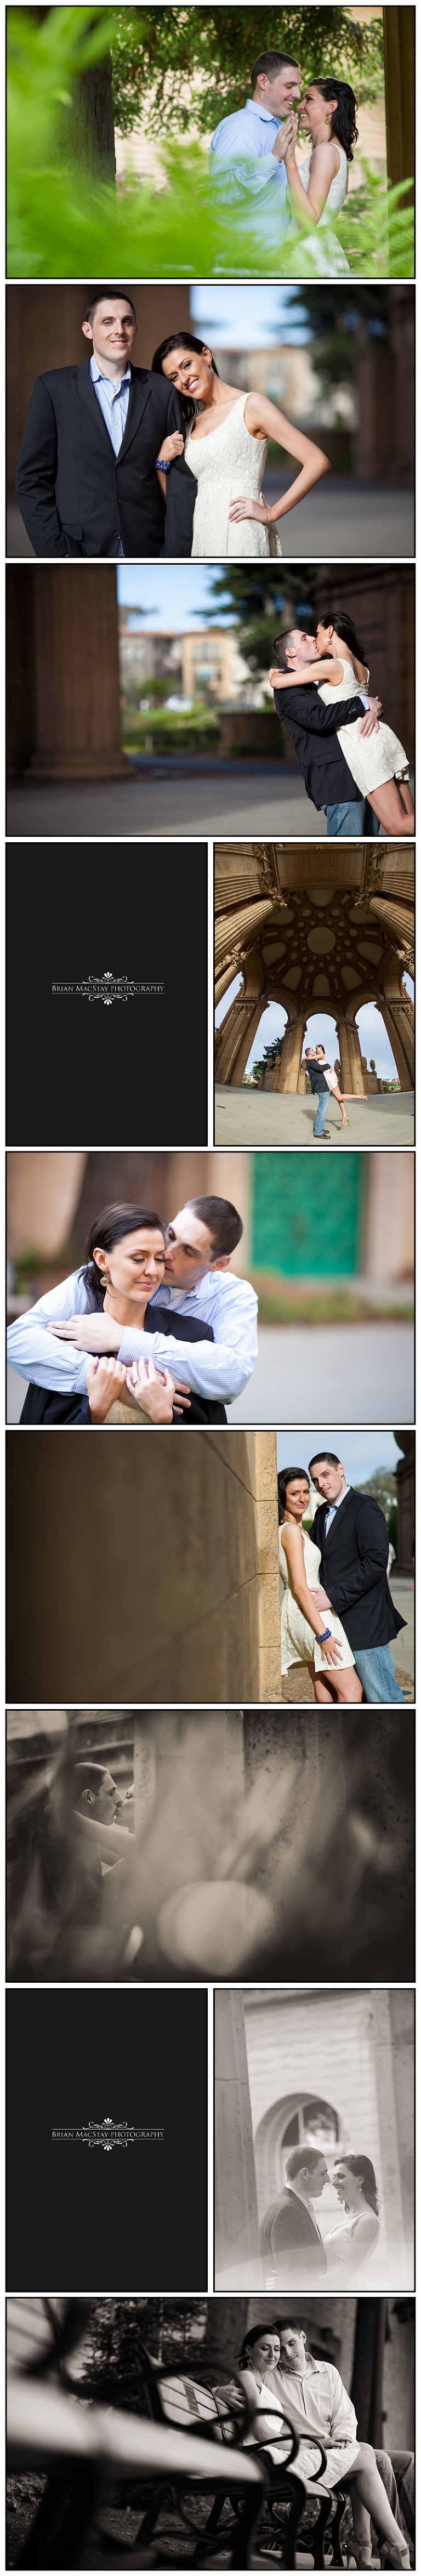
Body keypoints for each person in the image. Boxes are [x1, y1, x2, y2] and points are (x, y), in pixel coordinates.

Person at [7, 1196, 258, 1425]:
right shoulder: (104, 1275)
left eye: (188, 1251)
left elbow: (233, 1375)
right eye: (171, 1235)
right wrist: (112, 1380)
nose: (167, 1254)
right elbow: (17, 1338)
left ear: (219, 1265)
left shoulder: (231, 1297)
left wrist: (124, 1338)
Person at [15, 290, 196, 559]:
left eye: (127, 322)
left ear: (136, 329)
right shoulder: (52, 389)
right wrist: (57, 552)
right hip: (79, 550)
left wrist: (173, 553)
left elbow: (178, 478)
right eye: (108, 322)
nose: (119, 330)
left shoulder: (162, 391)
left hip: (150, 550)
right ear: (88, 330)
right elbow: (31, 480)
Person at [151, 330, 330, 558]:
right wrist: (161, 464)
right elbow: (178, 504)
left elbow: (317, 461)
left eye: (187, 365)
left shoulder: (252, 405)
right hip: (200, 538)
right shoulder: (187, 427)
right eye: (174, 377)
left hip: (241, 531)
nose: (184, 379)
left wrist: (272, 513)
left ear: (206, 356)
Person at [264, 2321, 411, 2567]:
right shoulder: (271, 2376)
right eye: (282, 2348)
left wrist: (342, 2442)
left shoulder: (328, 2371)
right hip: (308, 2454)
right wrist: (222, 2391)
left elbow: (345, 2417)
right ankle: (391, 2547)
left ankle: (370, 2544)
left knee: (399, 2458)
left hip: (335, 2450)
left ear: (303, 2337)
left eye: (292, 2343)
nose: (288, 2353)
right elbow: (244, 2385)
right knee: (375, 2458)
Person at [271, 613, 414, 837]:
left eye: (314, 634)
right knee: (353, 851)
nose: (313, 639)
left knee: (383, 840)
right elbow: (317, 718)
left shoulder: (325, 672)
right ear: (291, 652)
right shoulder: (289, 689)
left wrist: (369, 707)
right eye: (305, 638)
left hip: (365, 766)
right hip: (338, 782)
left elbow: (355, 699)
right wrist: (363, 703)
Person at [309, 1450, 406, 1703]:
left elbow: (375, 1564)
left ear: (341, 1470)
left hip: (366, 1623)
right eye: (315, 1480)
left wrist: (331, 1598)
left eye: (326, 1475)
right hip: (336, 1627)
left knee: (383, 1698)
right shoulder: (320, 1514)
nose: (321, 1484)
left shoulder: (364, 1507)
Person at [278, 1467, 363, 1704]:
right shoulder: (291, 1531)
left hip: (304, 1611)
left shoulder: (298, 1530)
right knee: (352, 1691)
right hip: (312, 1615)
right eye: (294, 1493)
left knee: (326, 1693)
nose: (303, 1499)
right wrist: (323, 1634)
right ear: (282, 1497)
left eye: (306, 1491)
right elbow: (299, 1586)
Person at [208, 50, 301, 259]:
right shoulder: (242, 126)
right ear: (263, 82)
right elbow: (218, 194)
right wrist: (273, 158)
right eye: (290, 86)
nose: (298, 95)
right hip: (242, 263)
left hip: (272, 264)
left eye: (298, 86)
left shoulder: (278, 129)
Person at [283, 77, 357, 273]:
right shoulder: (334, 152)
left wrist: (290, 163)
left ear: (331, 107)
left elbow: (308, 222)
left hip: (309, 255)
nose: (300, 106)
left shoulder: (326, 151)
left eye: (309, 99)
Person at [260, 2143, 328, 2285]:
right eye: (323, 2173)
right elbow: (293, 2278)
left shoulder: (293, 2205)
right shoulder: (288, 2210)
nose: (328, 2179)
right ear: (305, 2174)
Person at [325, 2154, 380, 2281]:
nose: (334, 2183)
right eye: (334, 2177)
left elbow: (345, 2276)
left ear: (360, 2180)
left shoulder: (367, 2220)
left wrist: (299, 2283)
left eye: (341, 2176)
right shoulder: (349, 2218)